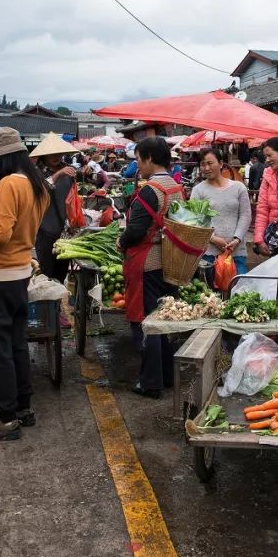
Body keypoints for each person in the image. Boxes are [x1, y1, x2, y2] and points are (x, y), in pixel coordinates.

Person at [0, 128, 51, 442]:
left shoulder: (7, 184)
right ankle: (23, 408)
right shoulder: (38, 184)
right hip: (20, 273)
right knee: (17, 342)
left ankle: (5, 418)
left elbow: (0, 234)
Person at [119, 137, 183, 399]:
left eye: (138, 159)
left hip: (147, 263)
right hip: (170, 260)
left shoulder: (150, 190)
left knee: (147, 322)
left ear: (149, 159)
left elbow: (135, 231)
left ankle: (150, 382)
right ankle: (167, 375)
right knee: (166, 320)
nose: (137, 164)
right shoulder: (176, 188)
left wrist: (120, 241)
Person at [190, 149, 251, 279]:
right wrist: (212, 238)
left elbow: (245, 215)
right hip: (209, 254)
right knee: (211, 296)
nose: (206, 168)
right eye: (202, 164)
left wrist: (237, 239)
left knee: (239, 291)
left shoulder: (238, 188)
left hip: (236, 252)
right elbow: (195, 221)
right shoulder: (198, 191)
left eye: (210, 163)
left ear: (221, 163)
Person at [31, 133, 80, 283]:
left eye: (59, 153)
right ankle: (47, 305)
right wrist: (58, 175)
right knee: (46, 271)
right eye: (52, 153)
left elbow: (73, 198)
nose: (56, 156)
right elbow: (39, 191)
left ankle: (57, 303)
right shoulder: (36, 172)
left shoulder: (68, 170)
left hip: (66, 230)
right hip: (45, 229)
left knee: (61, 271)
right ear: (44, 155)